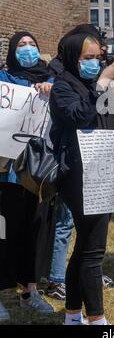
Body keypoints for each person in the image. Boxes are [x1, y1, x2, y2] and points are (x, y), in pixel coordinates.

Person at [49, 33, 114, 325]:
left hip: (100, 172)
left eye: (98, 58)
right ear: (73, 59)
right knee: (94, 251)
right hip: (78, 177)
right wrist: (102, 84)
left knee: (84, 247)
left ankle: (72, 315)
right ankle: (97, 319)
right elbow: (80, 115)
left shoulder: (88, 85)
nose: (95, 63)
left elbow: (100, 116)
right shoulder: (63, 87)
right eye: (88, 58)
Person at [0, 32, 55, 322]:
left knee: (36, 230)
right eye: (21, 46)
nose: (28, 50)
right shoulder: (4, 78)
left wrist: (50, 92)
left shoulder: (50, 79)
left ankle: (31, 290)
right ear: (11, 51)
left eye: (32, 44)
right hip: (7, 173)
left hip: (38, 172)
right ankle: (3, 293)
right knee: (5, 232)